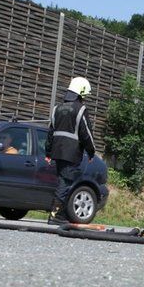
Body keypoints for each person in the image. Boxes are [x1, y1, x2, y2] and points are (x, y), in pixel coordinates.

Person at [45, 76, 96, 224]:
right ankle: (55, 216)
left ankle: (60, 215)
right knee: (65, 183)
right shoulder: (80, 109)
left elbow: (50, 133)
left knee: (62, 181)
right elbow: (86, 133)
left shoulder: (57, 108)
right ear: (80, 92)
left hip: (57, 152)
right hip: (71, 153)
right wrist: (91, 151)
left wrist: (48, 152)